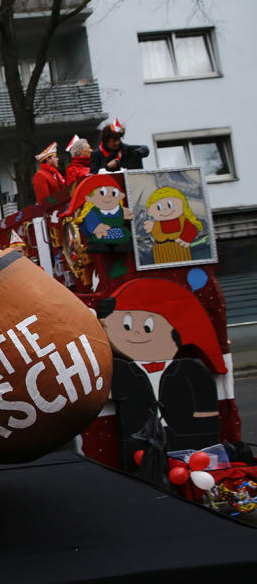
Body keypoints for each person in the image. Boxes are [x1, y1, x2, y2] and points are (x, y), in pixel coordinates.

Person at [98, 279, 225, 469]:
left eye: (148, 326)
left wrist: (197, 448)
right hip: (138, 447)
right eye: (126, 325)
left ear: (176, 332)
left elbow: (208, 421)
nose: (137, 334)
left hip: (188, 450)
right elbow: (95, 390)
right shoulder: (121, 372)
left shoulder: (193, 372)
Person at [61, 174, 132, 250]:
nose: (109, 196)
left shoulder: (118, 210)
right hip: (102, 237)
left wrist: (125, 214)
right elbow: (91, 223)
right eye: (102, 193)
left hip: (119, 234)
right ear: (90, 198)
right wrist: (97, 227)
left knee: (124, 244)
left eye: (113, 193)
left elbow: (125, 216)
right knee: (100, 243)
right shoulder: (92, 213)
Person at [142, 186, 203, 264]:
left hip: (179, 249)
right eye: (159, 207)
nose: (165, 209)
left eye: (170, 205)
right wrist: (152, 227)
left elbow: (191, 230)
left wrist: (185, 239)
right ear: (150, 211)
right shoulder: (156, 224)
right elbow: (154, 234)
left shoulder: (183, 220)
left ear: (182, 204)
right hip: (160, 251)